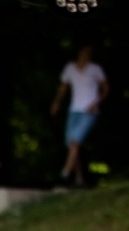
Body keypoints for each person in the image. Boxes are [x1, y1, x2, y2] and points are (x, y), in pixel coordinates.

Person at [52, 45, 107, 187]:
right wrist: (57, 102)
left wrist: (96, 102)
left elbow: (106, 88)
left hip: (89, 112)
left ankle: (64, 174)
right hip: (73, 111)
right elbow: (63, 87)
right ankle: (79, 179)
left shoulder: (96, 69)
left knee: (75, 141)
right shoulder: (70, 68)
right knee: (71, 145)